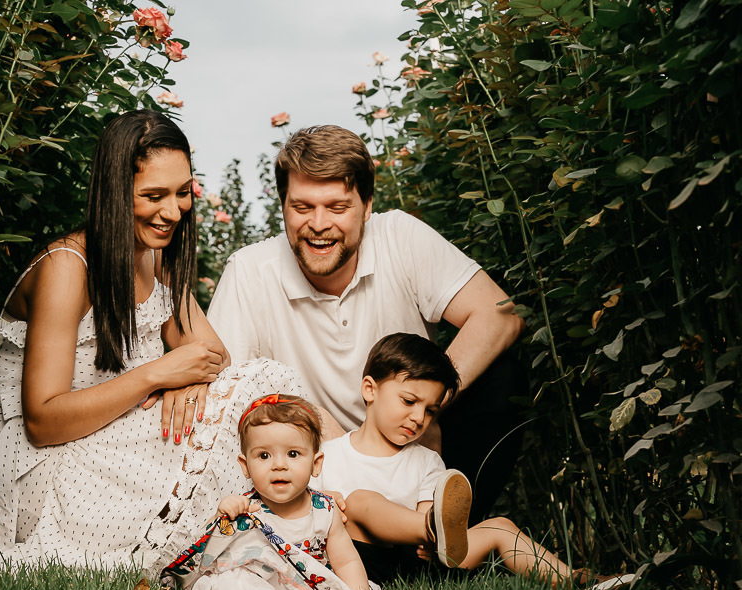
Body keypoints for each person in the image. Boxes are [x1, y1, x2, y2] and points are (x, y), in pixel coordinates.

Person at [0, 110, 302, 571]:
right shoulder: (67, 267)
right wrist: (158, 375)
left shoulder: (154, 253)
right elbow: (41, 422)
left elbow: (214, 358)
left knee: (258, 388)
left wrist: (187, 381)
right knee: (241, 412)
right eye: (153, 195)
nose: (172, 211)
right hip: (31, 459)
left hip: (111, 428)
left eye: (183, 193)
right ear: (114, 193)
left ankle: (295, 530)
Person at [208, 125, 527, 525]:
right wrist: (332, 438)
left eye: (338, 207)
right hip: (322, 472)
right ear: (283, 205)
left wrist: (426, 409)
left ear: (367, 206)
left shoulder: (400, 236)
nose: (318, 224)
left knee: (503, 377)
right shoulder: (250, 270)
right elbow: (224, 390)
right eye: (302, 207)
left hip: (420, 450)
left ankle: (450, 533)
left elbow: (500, 315)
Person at [317, 333, 583, 589]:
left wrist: (432, 541)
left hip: (417, 563)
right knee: (360, 501)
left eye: (431, 411)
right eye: (409, 401)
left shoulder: (426, 461)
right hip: (357, 563)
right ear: (369, 390)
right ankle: (432, 529)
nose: (419, 418)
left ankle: (580, 581)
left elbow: (430, 514)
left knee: (499, 527)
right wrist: (322, 501)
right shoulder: (327, 456)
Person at [162, 394, 373, 590]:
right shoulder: (247, 508)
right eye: (264, 456)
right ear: (245, 466)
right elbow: (207, 551)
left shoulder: (325, 510)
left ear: (316, 463)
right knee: (231, 582)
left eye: (293, 454)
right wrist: (222, 517)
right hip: (258, 586)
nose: (279, 465)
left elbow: (347, 562)